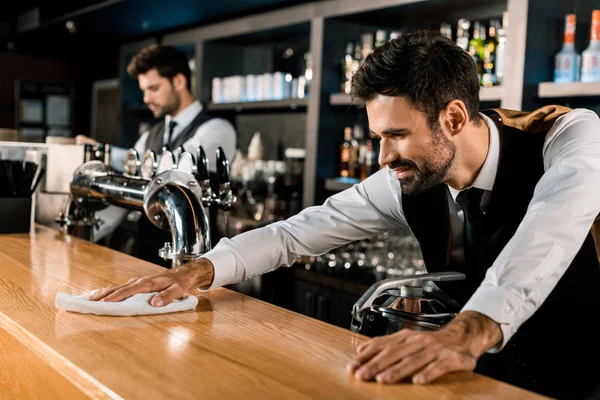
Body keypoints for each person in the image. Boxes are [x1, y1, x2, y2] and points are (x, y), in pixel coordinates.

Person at [89, 31, 600, 399]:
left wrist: (467, 333)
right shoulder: (409, 179)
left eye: (397, 135)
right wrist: (197, 271)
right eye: (378, 136)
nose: (382, 156)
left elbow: (548, 234)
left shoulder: (568, 137)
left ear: (454, 117)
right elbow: (298, 233)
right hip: (479, 377)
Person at [77, 44, 237, 263]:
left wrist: (106, 153)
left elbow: (173, 165)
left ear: (179, 81)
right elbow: (131, 164)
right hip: (146, 255)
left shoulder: (218, 129)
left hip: (193, 257)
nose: (146, 98)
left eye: (153, 88)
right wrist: (98, 151)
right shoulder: (154, 132)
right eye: (144, 90)